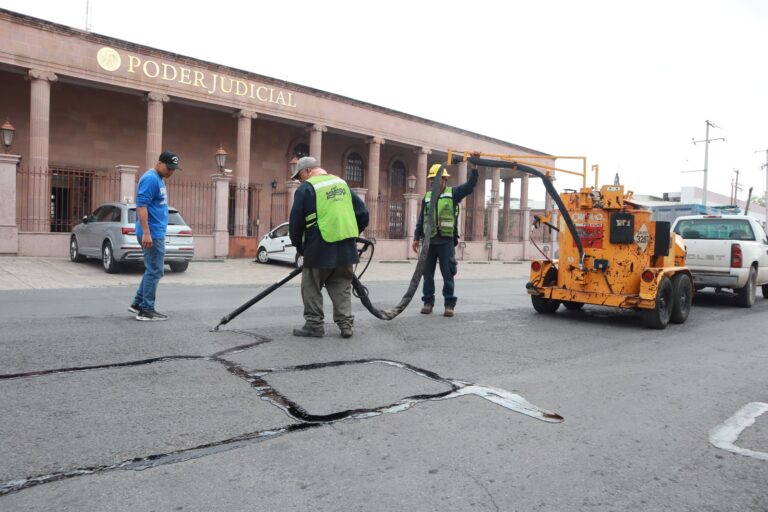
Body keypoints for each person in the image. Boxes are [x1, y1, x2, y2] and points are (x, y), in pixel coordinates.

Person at [288, 156, 369, 338]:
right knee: (342, 286)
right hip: (346, 248)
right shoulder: (342, 184)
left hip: (318, 247)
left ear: (308, 171)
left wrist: (299, 247)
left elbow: (295, 223)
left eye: (299, 176)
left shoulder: (306, 188)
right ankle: (346, 325)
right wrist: (350, 232)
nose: (299, 180)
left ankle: (314, 325)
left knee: (311, 286)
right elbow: (363, 213)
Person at [412, 161, 479, 317]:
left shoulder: (453, 193)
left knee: (448, 274)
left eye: (436, 179)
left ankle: (449, 304)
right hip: (429, 242)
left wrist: (474, 169)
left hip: (446, 242)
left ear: (444, 180)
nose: (432, 182)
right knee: (427, 274)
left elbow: (469, 186)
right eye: (431, 179)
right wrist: (416, 237)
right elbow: (422, 218)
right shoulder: (427, 197)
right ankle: (428, 302)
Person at [129, 151, 181, 321]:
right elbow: (141, 206)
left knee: (152, 269)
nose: (171, 171)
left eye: (173, 169)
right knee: (156, 270)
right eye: (169, 168)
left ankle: (138, 303)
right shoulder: (151, 179)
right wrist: (146, 233)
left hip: (154, 232)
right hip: (151, 233)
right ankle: (147, 310)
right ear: (159, 163)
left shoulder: (159, 178)